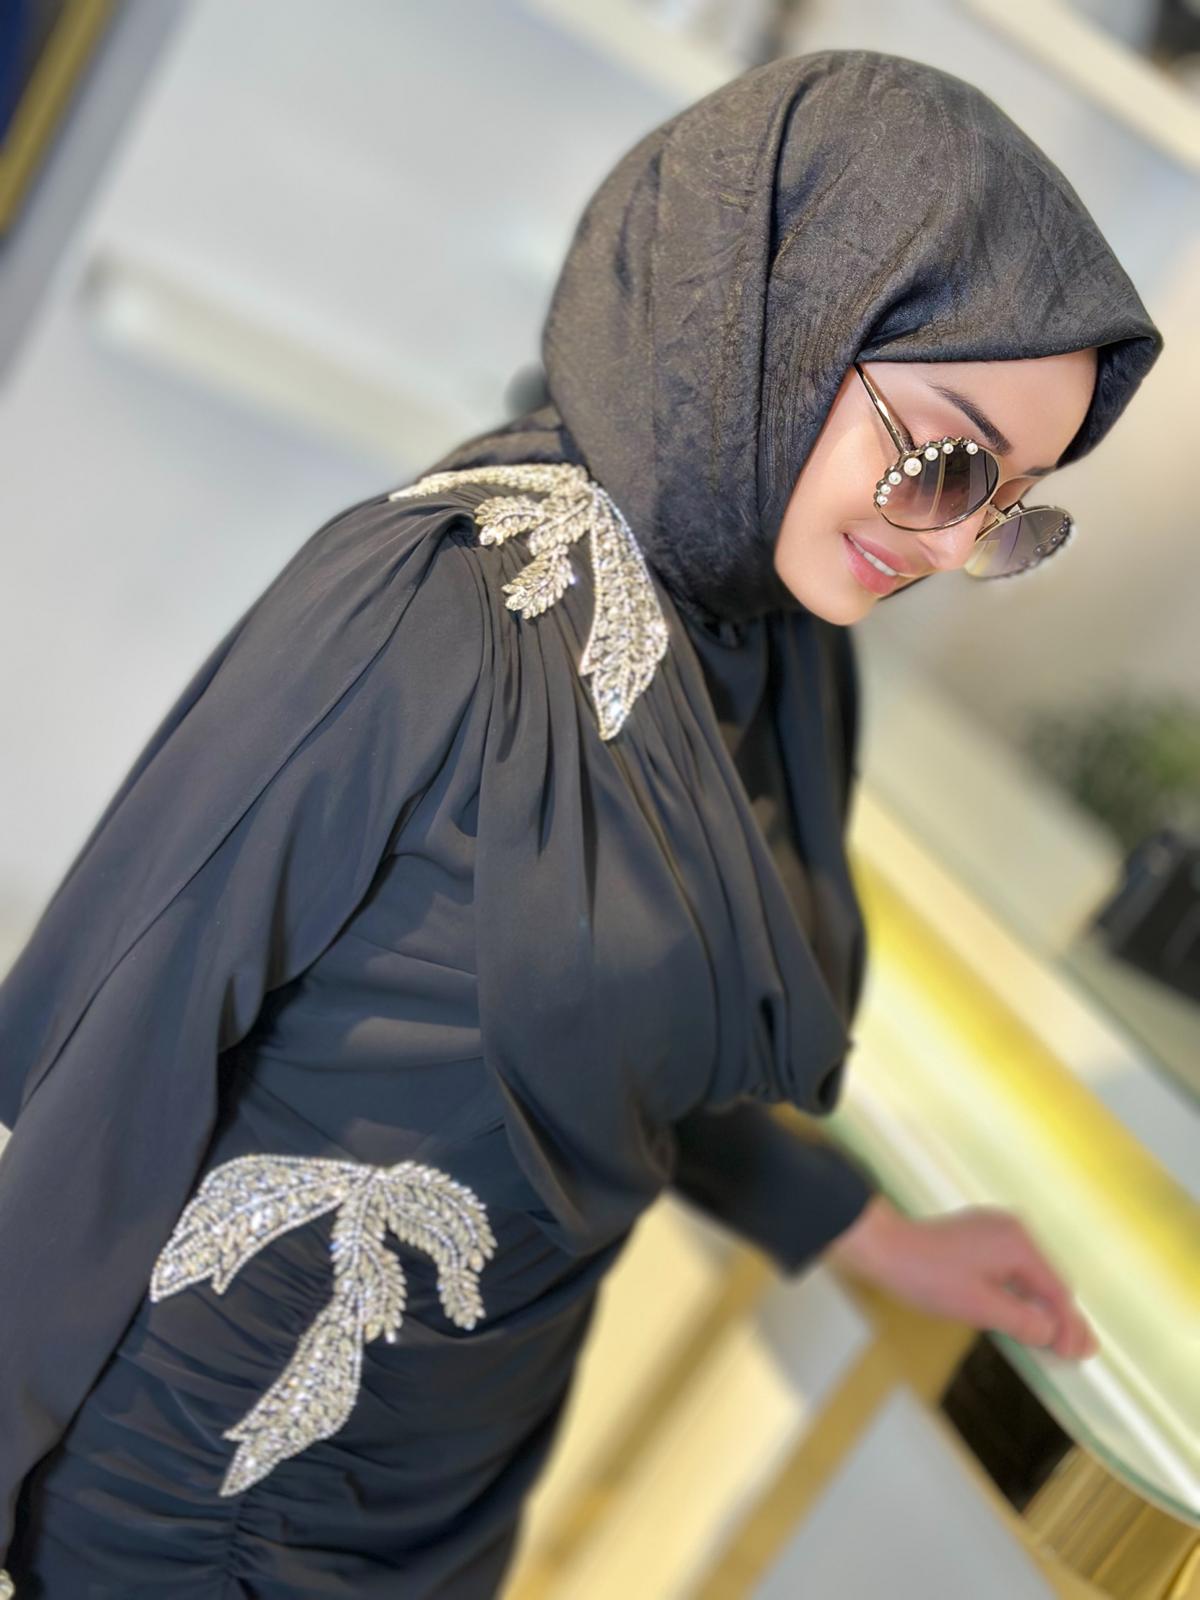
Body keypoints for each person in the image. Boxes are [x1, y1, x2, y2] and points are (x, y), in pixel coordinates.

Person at [0, 45, 1162, 1599]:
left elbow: (621, 1044)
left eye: (1008, 506)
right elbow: (111, 1045)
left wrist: (861, 1230)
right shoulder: (433, 608)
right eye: (947, 460)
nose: (951, 548)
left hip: (443, 1504)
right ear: (785, 318)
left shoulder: (769, 657)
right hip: (198, 1508)